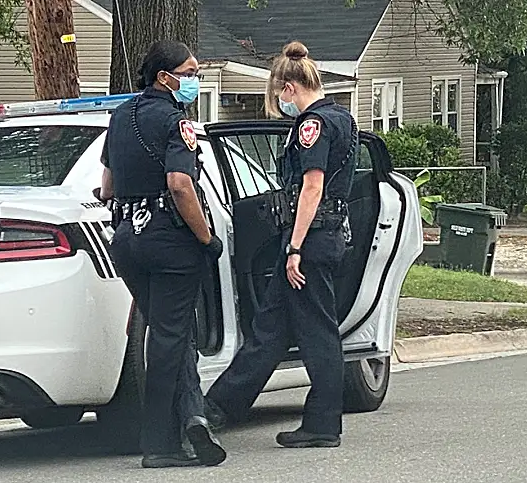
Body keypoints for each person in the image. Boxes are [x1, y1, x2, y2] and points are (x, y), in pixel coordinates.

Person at [202, 40, 358, 448]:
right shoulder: (343, 118)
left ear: (289, 87)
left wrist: (294, 248)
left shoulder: (312, 125)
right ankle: (219, 407)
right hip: (327, 233)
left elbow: (312, 187)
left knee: (318, 333)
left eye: (278, 95)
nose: (280, 103)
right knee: (270, 328)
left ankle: (323, 424)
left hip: (311, 237)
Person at [95, 39, 227, 469]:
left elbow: (108, 187)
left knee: (170, 331)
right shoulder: (177, 122)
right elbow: (180, 183)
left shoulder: (119, 117)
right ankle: (159, 443)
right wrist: (206, 238)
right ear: (164, 77)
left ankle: (192, 418)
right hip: (169, 239)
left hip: (127, 241)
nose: (194, 80)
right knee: (170, 338)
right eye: (189, 73)